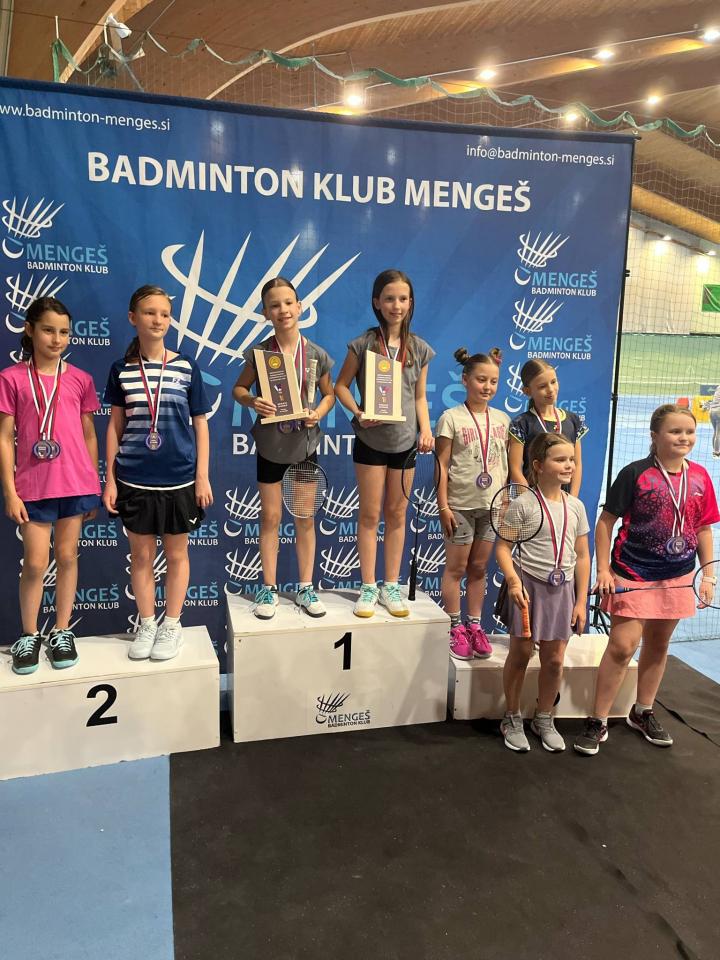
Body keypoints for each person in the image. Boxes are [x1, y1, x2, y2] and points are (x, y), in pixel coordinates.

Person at [574, 403, 719, 756]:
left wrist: (708, 575)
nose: (683, 437)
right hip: (633, 572)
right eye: (675, 431)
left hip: (678, 576)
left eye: (689, 431)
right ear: (655, 435)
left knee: (658, 645)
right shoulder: (635, 473)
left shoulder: (700, 477)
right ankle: (598, 719)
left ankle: (642, 711)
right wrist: (603, 570)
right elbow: (605, 523)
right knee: (622, 647)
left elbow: (703, 528)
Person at [103, 285, 213, 661]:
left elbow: (201, 425)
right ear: (133, 318)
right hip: (134, 478)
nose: (158, 320)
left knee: (177, 555)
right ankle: (148, 623)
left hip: (180, 478)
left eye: (165, 314)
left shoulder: (185, 366)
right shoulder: (121, 370)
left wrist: (202, 476)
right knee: (141, 557)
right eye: (150, 313)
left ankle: (172, 624)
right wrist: (110, 480)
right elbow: (114, 427)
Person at [0, 296, 101, 674]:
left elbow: (89, 434)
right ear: (29, 330)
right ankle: (28, 634)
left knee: (68, 557)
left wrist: (93, 483)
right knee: (35, 562)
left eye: (64, 332)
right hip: (32, 487)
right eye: (48, 330)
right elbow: (4, 437)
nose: (57, 339)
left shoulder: (80, 379)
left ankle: (61, 630)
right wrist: (10, 491)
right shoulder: (11, 378)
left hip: (74, 484)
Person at [232, 277, 335, 619]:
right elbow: (238, 389)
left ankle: (306, 587)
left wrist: (318, 412)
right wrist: (252, 401)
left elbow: (330, 395)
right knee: (271, 517)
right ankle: (269, 587)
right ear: (266, 313)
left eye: (288, 303)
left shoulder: (316, 354)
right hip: (270, 446)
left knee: (305, 517)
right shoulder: (260, 353)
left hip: (304, 446)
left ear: (299, 306)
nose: (283, 310)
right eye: (274, 305)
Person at [334, 269, 435, 619]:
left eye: (403, 299)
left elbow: (419, 397)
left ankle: (390, 584)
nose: (396, 305)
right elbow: (341, 386)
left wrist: (426, 430)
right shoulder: (363, 344)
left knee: (396, 514)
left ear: (411, 303)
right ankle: (368, 586)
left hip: (405, 443)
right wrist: (358, 412)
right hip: (371, 441)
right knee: (369, 514)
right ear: (377, 302)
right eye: (389, 298)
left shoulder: (419, 348)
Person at [495, 433, 590, 752]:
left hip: (562, 592)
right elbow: (503, 548)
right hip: (527, 588)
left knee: (554, 660)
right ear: (538, 465)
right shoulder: (523, 504)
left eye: (571, 460)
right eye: (560, 460)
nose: (569, 465)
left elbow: (583, 556)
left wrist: (581, 600)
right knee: (521, 654)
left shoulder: (576, 507)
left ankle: (544, 718)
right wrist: (513, 581)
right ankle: (511, 717)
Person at [435, 346, 509, 661]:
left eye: (493, 381)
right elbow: (441, 464)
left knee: (479, 568)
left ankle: (475, 626)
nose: (487, 387)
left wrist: (505, 499)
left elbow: (506, 464)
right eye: (481, 380)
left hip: (491, 507)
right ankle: (454, 627)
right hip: (460, 506)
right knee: (456, 569)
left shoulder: (503, 419)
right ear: (465, 380)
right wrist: (443, 506)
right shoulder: (450, 418)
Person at [508, 359, 587, 496]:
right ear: (527, 391)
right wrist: (530, 500)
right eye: (542, 386)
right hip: (534, 501)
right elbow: (515, 468)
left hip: (564, 501)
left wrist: (572, 500)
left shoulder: (573, 420)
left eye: (553, 382)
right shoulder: (521, 424)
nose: (550, 389)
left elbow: (577, 463)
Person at [701, 386, 720, 458]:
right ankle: (716, 453)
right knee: (718, 433)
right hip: (718, 410)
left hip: (712, 411)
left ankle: (714, 451)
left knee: (715, 432)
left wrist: (706, 406)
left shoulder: (718, 387)